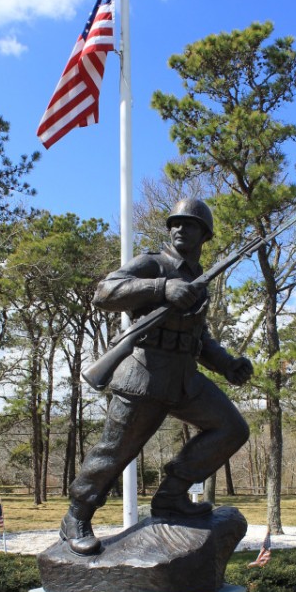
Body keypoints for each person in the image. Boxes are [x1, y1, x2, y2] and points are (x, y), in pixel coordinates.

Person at [60, 197, 254, 555]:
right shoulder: (153, 263)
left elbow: (198, 337)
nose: (180, 229)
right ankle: (77, 514)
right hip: (144, 375)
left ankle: (171, 496)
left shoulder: (199, 279)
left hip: (184, 378)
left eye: (190, 224)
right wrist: (161, 288)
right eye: (175, 223)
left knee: (232, 428)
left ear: (204, 235)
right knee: (115, 451)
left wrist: (227, 364)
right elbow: (104, 292)